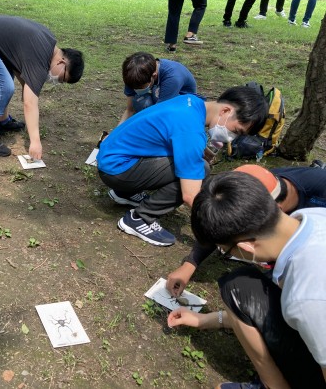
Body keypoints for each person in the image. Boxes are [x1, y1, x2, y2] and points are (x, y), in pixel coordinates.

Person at [168, 171, 326, 388]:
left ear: (246, 246)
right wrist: (205, 320)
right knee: (244, 287)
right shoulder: (313, 216)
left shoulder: (307, 299)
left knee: (236, 288)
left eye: (225, 250)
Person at [97, 87, 267, 246]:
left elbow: (168, 136)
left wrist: (198, 150)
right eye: (236, 131)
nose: (231, 138)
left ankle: (125, 193)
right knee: (202, 169)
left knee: (193, 163)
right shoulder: (191, 130)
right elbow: (190, 195)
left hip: (111, 158)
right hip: (117, 170)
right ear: (226, 111)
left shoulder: (191, 102)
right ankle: (140, 218)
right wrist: (223, 228)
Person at [166, 163, 326, 296]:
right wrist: (190, 264)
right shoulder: (259, 185)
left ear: (277, 210)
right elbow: (222, 228)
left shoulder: (318, 196)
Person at [0, 15, 84, 158]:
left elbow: (23, 75)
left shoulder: (48, 44)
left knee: (6, 79)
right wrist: (35, 142)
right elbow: (29, 103)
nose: (57, 81)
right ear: (61, 62)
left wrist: (29, 92)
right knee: (3, 88)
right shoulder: (41, 59)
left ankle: (3, 121)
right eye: (62, 78)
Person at [119, 52, 197, 124]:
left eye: (140, 87)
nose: (136, 89)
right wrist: (114, 135)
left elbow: (159, 114)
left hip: (184, 106)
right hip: (161, 102)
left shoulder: (172, 78)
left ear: (154, 76)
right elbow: (130, 110)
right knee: (140, 101)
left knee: (147, 105)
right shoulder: (132, 75)